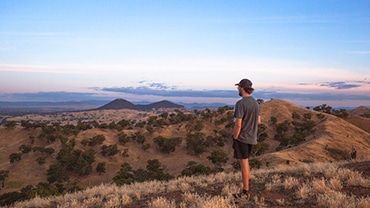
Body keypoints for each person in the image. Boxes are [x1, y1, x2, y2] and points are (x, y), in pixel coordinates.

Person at [232, 78, 261, 199]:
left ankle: (245, 191)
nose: (238, 89)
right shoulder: (255, 103)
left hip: (242, 138)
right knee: (246, 162)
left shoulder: (241, 103)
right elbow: (259, 121)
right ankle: (246, 189)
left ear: (243, 88)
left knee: (243, 163)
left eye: (239, 87)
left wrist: (235, 137)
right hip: (251, 137)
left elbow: (238, 124)